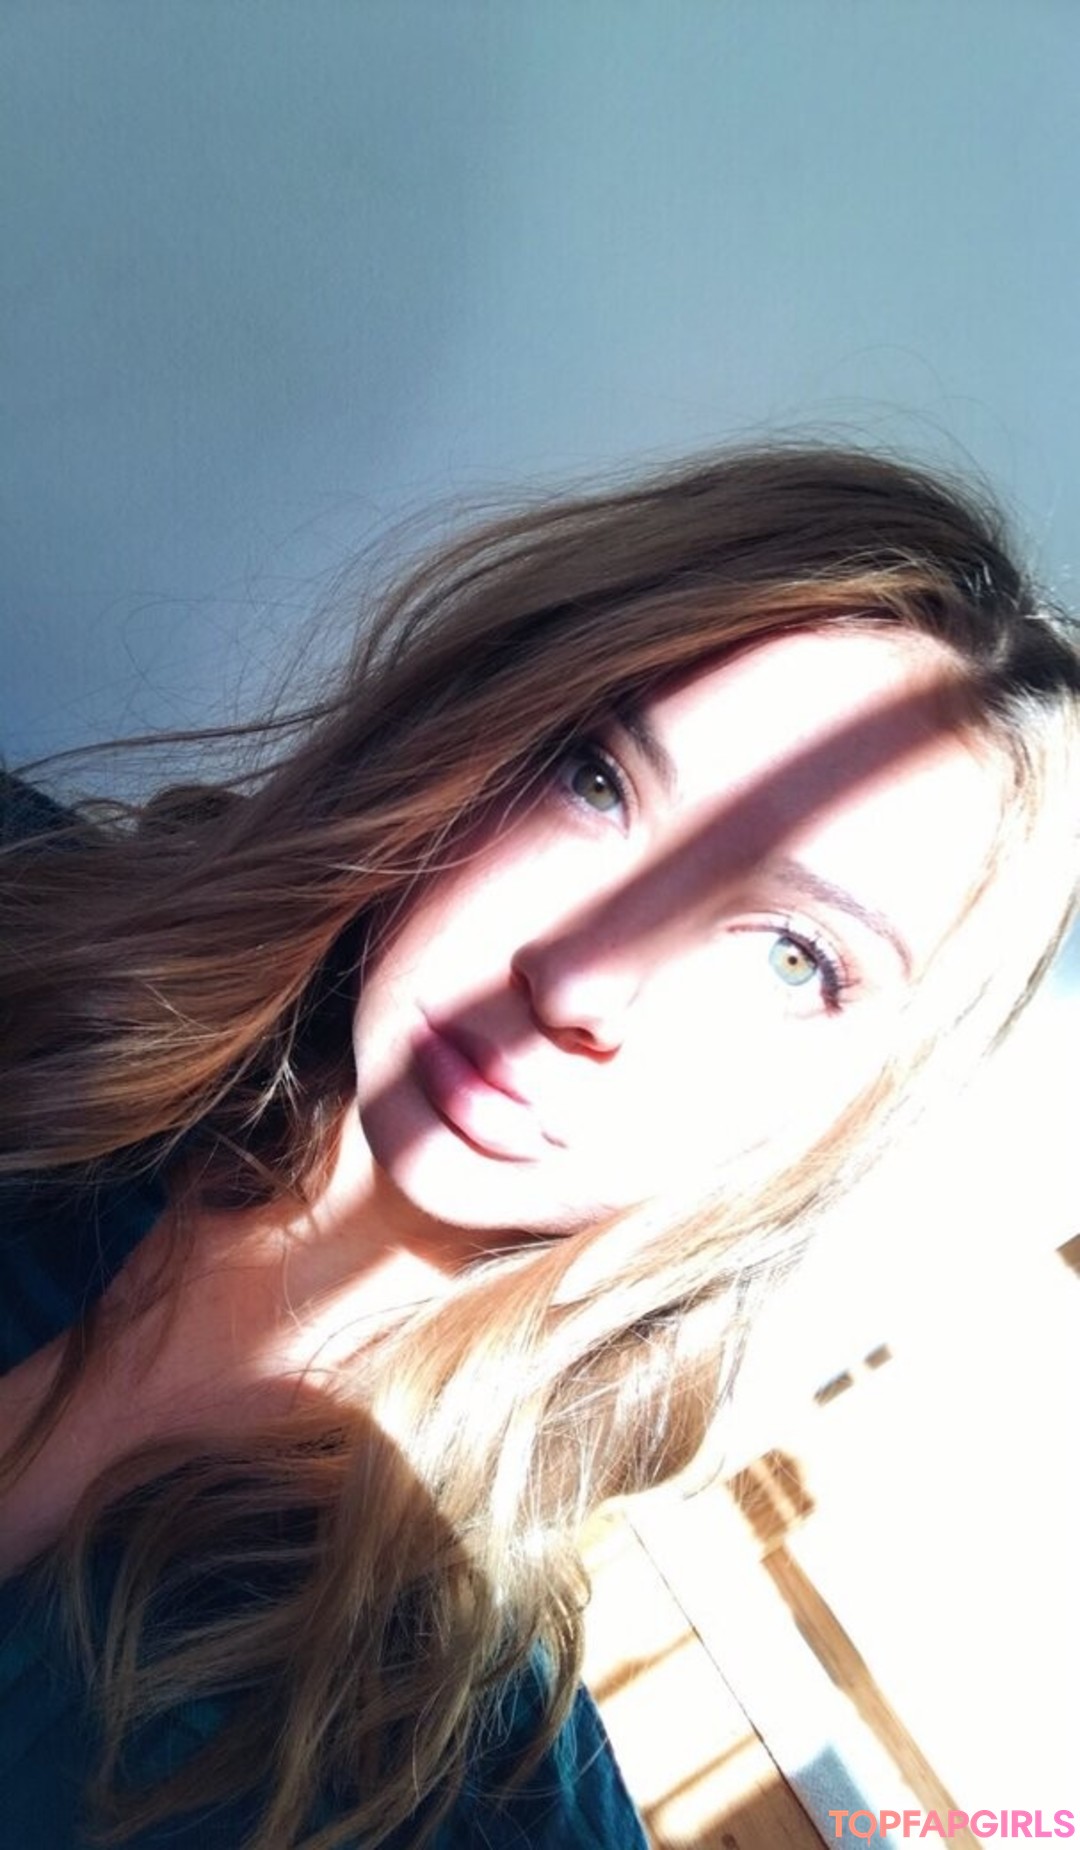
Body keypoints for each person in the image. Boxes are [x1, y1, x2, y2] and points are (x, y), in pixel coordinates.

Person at [1, 443, 1078, 1850]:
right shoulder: (35, 939)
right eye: (597, 778)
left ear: (848, 1115)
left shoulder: (459, 1791)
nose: (580, 981)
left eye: (793, 956)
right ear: (475, 735)